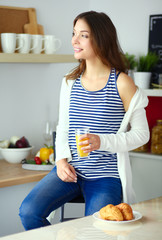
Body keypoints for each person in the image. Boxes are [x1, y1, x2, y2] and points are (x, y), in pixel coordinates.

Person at [19, 11, 150, 230]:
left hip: (105, 177)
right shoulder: (70, 83)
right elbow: (63, 127)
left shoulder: (122, 83)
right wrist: (60, 161)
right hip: (70, 170)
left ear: (100, 39)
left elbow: (142, 134)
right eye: (74, 33)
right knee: (29, 211)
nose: (74, 40)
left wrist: (102, 141)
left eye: (83, 35)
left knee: (95, 231)